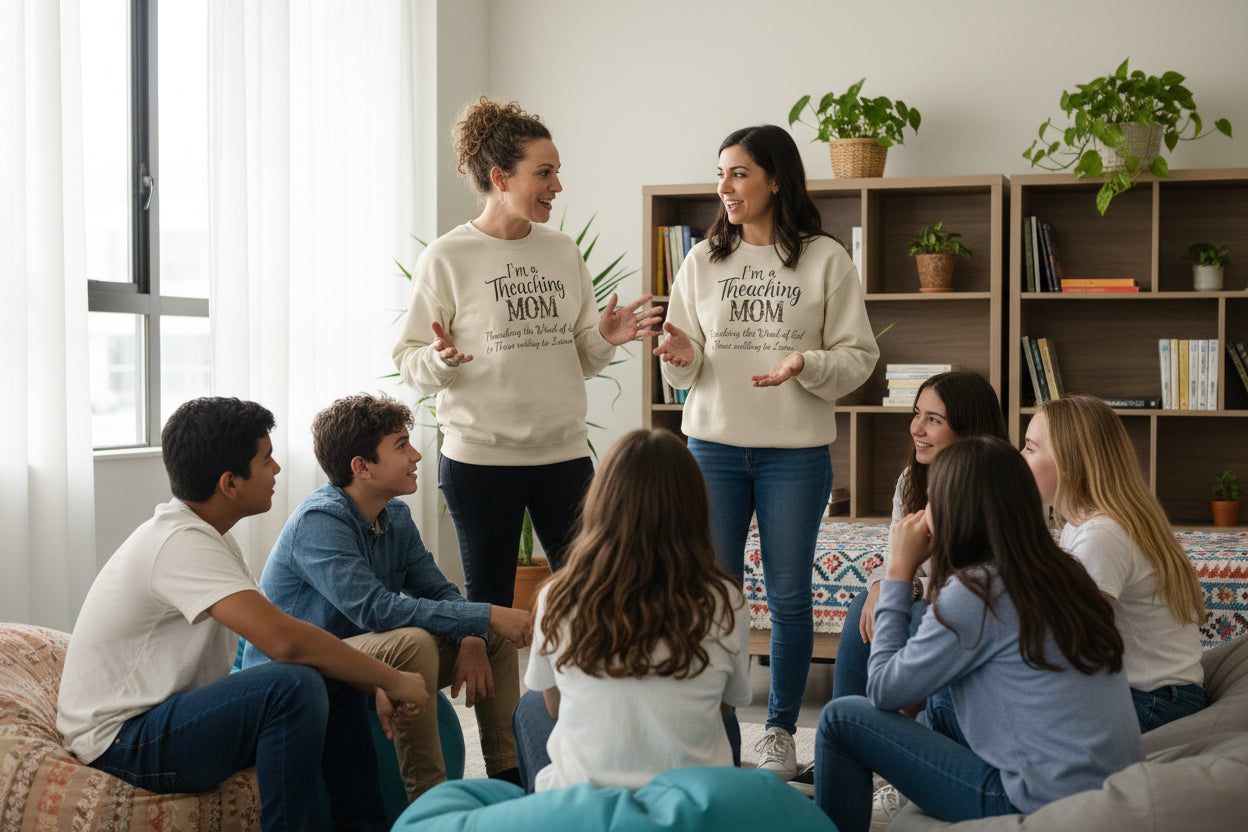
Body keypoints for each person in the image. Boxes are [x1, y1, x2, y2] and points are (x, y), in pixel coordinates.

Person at [57, 397, 430, 832]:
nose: (277, 469)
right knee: (292, 685)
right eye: (266, 460)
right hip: (121, 741)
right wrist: (391, 678)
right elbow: (283, 641)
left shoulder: (209, 537)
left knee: (323, 674)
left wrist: (367, 681)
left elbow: (283, 638)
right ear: (230, 483)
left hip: (163, 720)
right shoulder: (179, 544)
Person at [654, 124, 878, 779]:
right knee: (713, 596)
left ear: (776, 180)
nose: (725, 187)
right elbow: (683, 367)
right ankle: (716, 729)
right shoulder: (701, 262)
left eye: (739, 173)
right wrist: (680, 356)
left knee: (788, 597)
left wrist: (807, 362)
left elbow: (859, 356)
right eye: (720, 174)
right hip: (713, 448)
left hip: (794, 454)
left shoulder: (825, 259)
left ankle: (779, 731)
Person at [392, 97, 661, 606]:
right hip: (479, 461)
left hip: (564, 455)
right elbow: (410, 361)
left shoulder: (562, 251)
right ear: (500, 177)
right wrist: (439, 360)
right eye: (544, 173)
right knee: (490, 605)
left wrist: (605, 338)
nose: (556, 186)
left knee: (589, 598)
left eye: (557, 172)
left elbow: (582, 359)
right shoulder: (447, 257)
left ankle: (570, 668)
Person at [815, 436, 1143, 832]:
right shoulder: (1063, 570)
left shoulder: (977, 591)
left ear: (955, 511)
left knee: (840, 718)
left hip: (1037, 800)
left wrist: (898, 572)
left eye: (932, 500)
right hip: (1109, 791)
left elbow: (883, 690)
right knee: (938, 704)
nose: (923, 512)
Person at [242, 393, 532, 799]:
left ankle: (512, 784)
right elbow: (375, 610)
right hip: (302, 668)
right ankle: (429, 801)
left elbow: (437, 589)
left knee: (490, 638)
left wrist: (473, 632)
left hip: (363, 656)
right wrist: (483, 615)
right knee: (414, 643)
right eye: (401, 446)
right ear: (361, 467)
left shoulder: (394, 514)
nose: (416, 456)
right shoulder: (319, 521)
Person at [512, 429, 751, 793]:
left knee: (531, 705)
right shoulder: (726, 600)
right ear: (694, 509)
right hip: (687, 807)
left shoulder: (557, 595)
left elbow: (556, 707)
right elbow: (723, 708)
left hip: (586, 809)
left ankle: (546, 809)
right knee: (718, 714)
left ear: (601, 504)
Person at [1023, 394, 1207, 731]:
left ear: (1069, 465)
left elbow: (1071, 643)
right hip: (1160, 695)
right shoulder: (1082, 525)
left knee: (954, 703)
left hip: (1156, 703)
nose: (1019, 457)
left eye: (1030, 448)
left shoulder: (1102, 534)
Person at [832, 371, 1009, 700]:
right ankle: (852, 719)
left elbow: (985, 586)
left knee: (916, 617)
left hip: (978, 612)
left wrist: (904, 586)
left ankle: (884, 715)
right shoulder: (910, 481)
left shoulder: (1001, 491)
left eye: (934, 419)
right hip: (933, 596)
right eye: (917, 414)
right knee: (864, 606)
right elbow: (897, 556)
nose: (916, 428)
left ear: (968, 430)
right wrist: (881, 584)